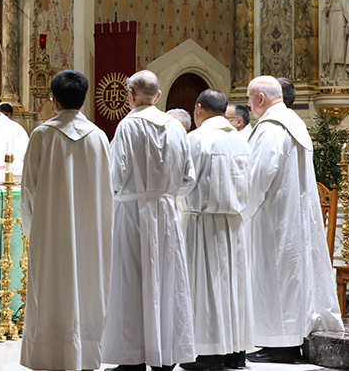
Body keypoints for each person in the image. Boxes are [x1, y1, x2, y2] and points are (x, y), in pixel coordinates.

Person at [244, 76, 343, 363]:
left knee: (275, 276)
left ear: (261, 98)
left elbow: (258, 175)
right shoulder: (293, 122)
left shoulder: (271, 128)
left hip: (273, 216)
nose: (249, 106)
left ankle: (280, 345)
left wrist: (241, 209)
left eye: (250, 100)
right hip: (293, 214)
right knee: (290, 277)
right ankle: (286, 340)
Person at [102, 69, 196, 371]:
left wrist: (126, 197)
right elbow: (189, 177)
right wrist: (166, 195)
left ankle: (132, 358)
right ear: (158, 96)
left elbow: (113, 176)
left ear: (130, 95)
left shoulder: (127, 126)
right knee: (168, 280)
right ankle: (166, 355)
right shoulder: (176, 126)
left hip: (132, 212)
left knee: (130, 283)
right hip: (166, 211)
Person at [20, 70, 113, 371]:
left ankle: (50, 357)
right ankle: (85, 356)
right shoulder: (98, 136)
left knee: (50, 290)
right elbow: (107, 190)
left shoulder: (43, 135)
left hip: (50, 234)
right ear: (84, 100)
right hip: (91, 234)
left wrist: (31, 229)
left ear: (54, 100)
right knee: (88, 288)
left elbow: (28, 189)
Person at [179, 89, 254, 371]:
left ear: (199, 108)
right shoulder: (240, 139)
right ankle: (235, 352)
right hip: (234, 223)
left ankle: (206, 354)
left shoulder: (197, 139)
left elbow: (185, 180)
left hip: (203, 223)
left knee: (205, 288)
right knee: (233, 288)